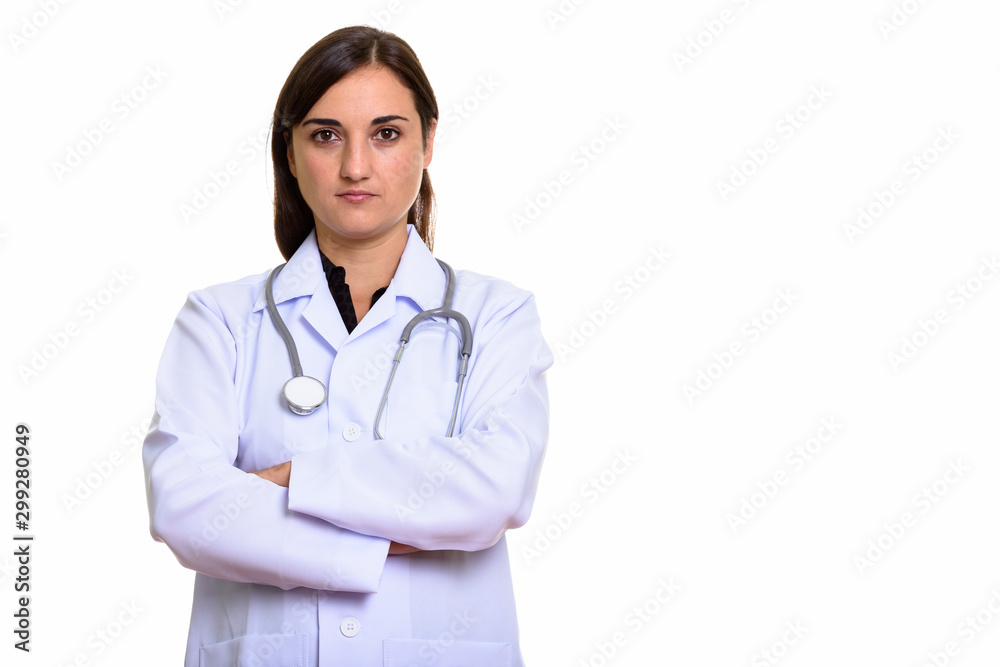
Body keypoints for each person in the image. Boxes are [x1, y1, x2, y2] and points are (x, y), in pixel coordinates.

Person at [141, 25, 553, 667]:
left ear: (428, 142)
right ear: (291, 149)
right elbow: (188, 509)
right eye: (325, 135)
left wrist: (290, 480)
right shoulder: (218, 320)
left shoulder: (496, 315)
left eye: (386, 134)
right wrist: (399, 530)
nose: (355, 165)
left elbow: (493, 489)